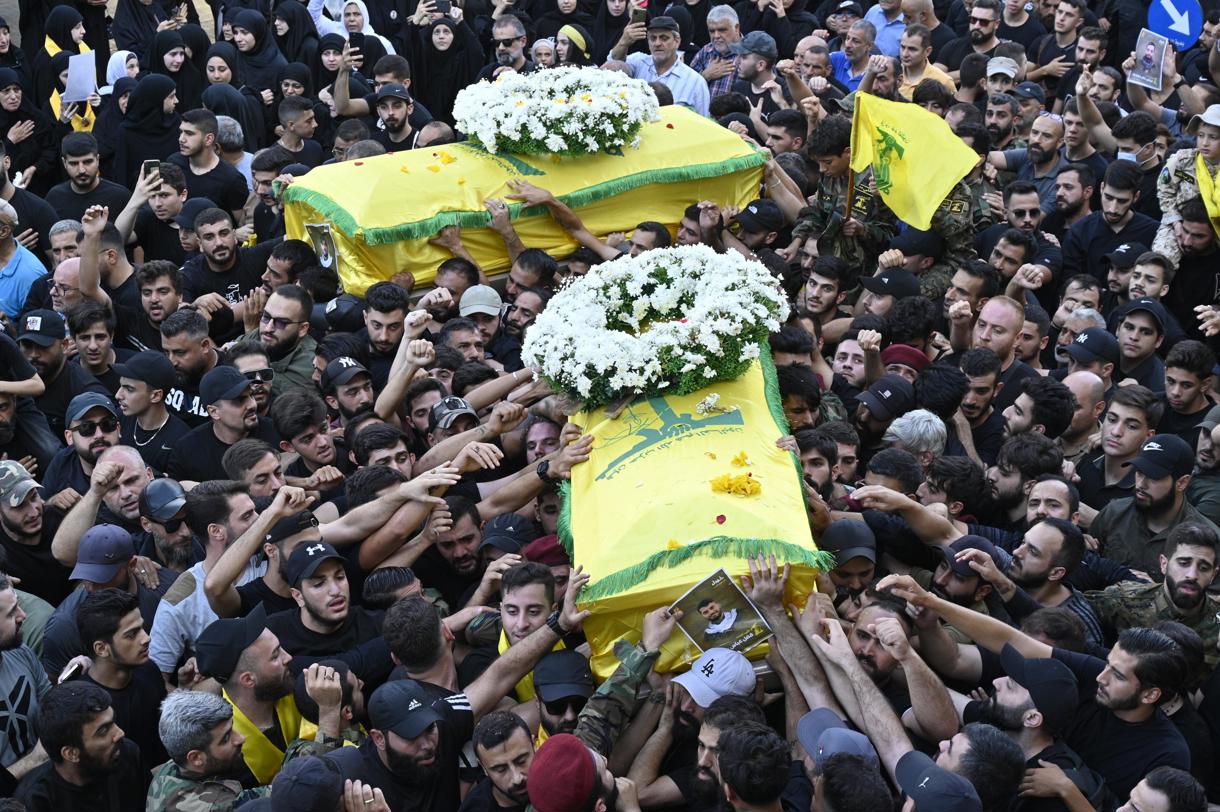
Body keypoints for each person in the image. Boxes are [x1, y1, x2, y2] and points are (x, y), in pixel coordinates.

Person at [13, 680, 148, 811]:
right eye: (103, 730)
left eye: (113, 721)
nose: (120, 733)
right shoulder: (34, 801)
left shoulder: (128, 754)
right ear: (71, 754)